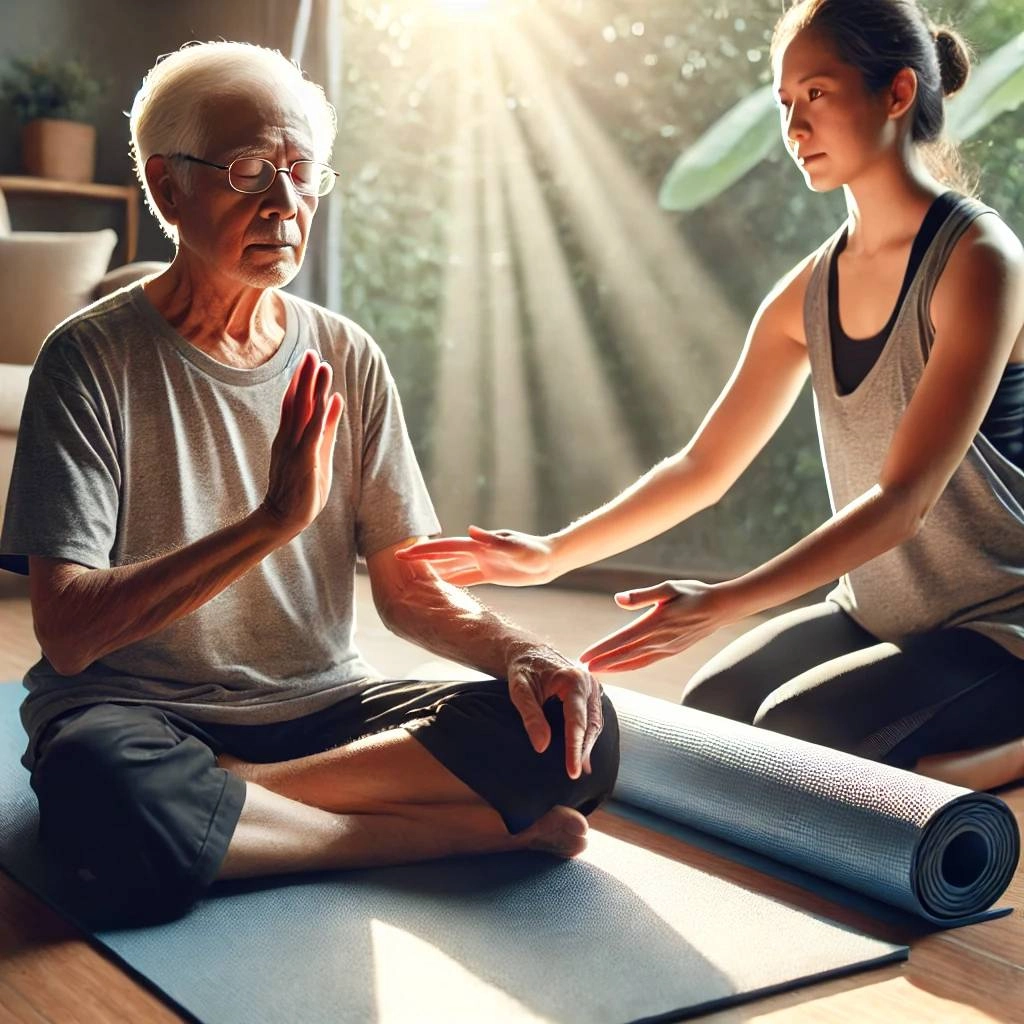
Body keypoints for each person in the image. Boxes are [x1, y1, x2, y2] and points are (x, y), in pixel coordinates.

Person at [0, 40, 617, 924]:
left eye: (301, 171)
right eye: (251, 170)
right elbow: (65, 636)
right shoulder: (86, 361)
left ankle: (238, 802)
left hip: (323, 708)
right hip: (141, 714)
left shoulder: (347, 354)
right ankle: (450, 835)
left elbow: (407, 589)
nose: (285, 203)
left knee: (570, 736)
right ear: (168, 187)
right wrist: (268, 522)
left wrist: (522, 650)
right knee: (104, 787)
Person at [401, 0, 1024, 791]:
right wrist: (553, 553)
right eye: (786, 103)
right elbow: (703, 465)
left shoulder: (979, 260)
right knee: (717, 716)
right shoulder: (811, 288)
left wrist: (723, 600)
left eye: (819, 94)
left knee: (801, 736)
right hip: (880, 611)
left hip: (997, 623)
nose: (796, 126)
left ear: (897, 93)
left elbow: (905, 499)